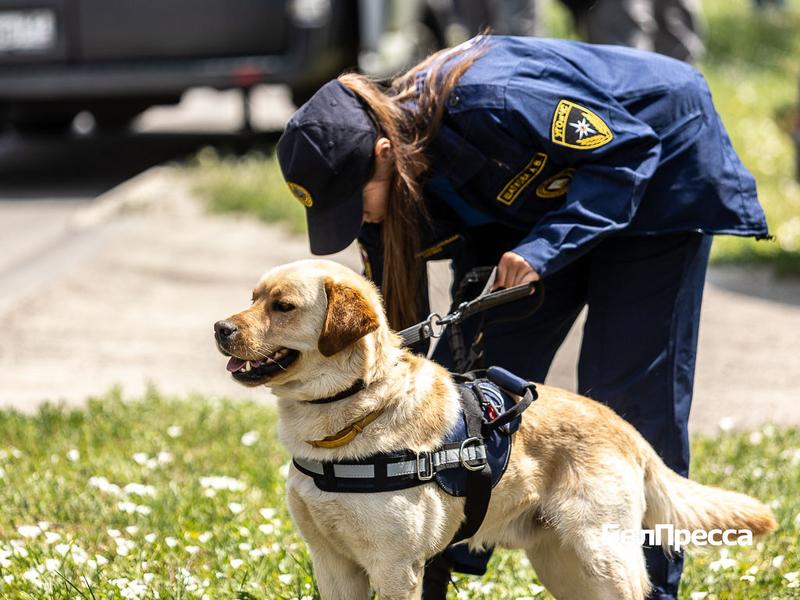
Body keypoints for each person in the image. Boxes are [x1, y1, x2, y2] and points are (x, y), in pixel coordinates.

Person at [276, 36, 769, 600]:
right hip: (539, 197)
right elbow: (403, 345)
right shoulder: (388, 181)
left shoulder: (495, 101)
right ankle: (420, 567)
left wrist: (543, 250)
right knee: (478, 390)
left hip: (655, 172)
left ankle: (651, 589)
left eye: (354, 201)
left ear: (385, 153)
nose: (358, 220)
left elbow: (630, 148)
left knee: (630, 391)